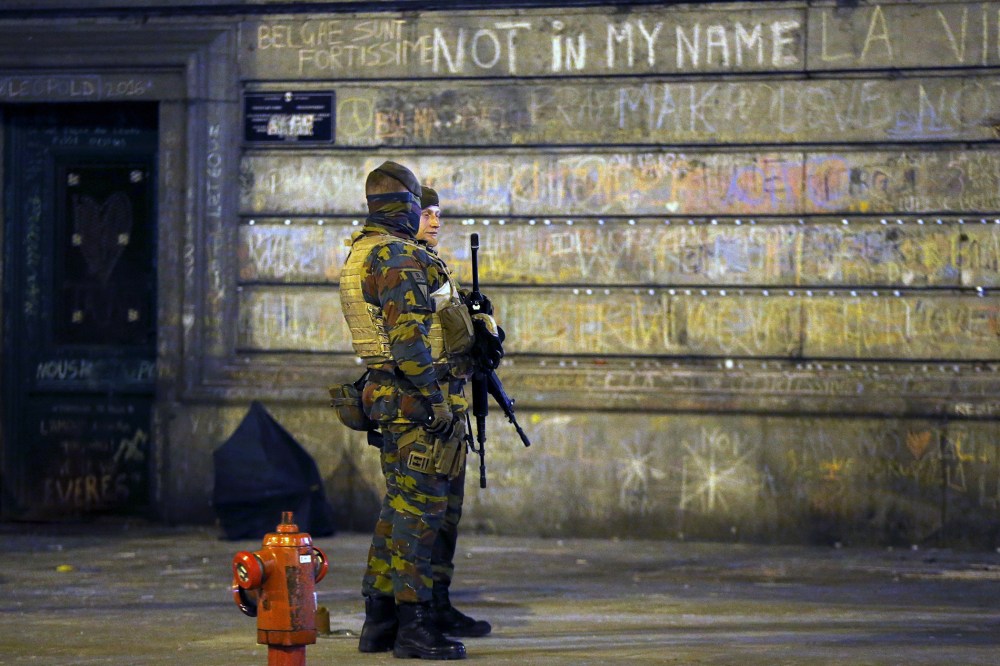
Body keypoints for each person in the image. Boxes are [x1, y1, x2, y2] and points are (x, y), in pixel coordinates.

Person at [339, 162, 474, 660]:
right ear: (406, 205)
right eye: (420, 205)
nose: (425, 216)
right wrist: (437, 400)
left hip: (391, 399)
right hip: (415, 404)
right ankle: (413, 629)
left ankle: (379, 621)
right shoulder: (396, 256)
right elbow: (410, 344)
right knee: (419, 515)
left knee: (398, 510)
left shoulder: (363, 250)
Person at [415, 187, 492, 639]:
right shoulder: (407, 267)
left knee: (447, 514)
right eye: (426, 213)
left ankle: (438, 602)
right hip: (429, 408)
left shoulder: (436, 266)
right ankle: (415, 610)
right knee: (423, 515)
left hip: (451, 403)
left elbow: (453, 327)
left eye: (439, 214)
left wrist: (481, 321)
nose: (435, 221)